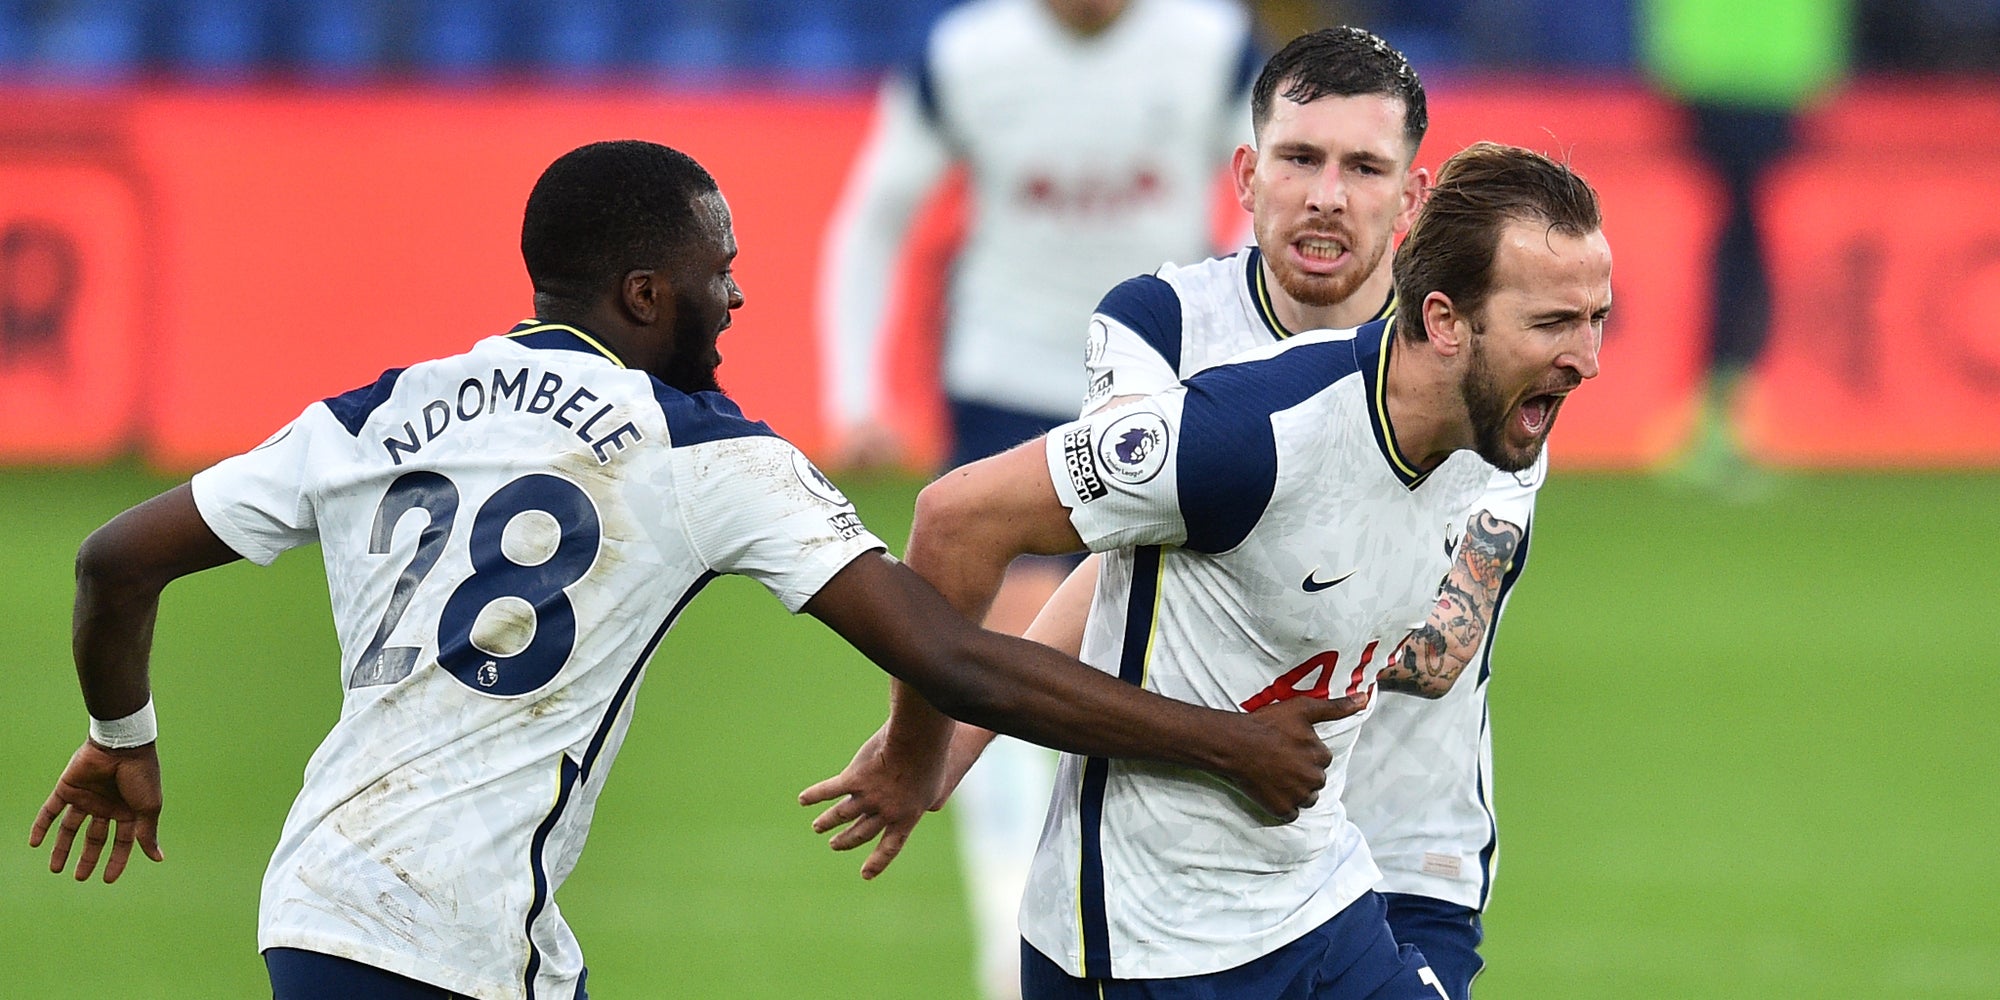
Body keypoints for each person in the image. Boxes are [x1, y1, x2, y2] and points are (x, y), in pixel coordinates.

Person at [27, 140, 1366, 1000]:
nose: (737, 296)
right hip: (454, 944)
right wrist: (1224, 743)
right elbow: (953, 657)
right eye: (720, 272)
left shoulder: (383, 407)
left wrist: (119, 739)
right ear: (645, 295)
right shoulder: (696, 448)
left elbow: (115, 561)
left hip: (320, 907)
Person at [806, 135, 1610, 998]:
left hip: (1318, 900)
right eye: (1553, 324)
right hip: (1149, 946)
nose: (1589, 359)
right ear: (1446, 322)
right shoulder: (1250, 437)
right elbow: (957, 518)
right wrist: (918, 750)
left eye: (1596, 318)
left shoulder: (1499, 441)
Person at [816, 2, 1258, 993]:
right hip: (1004, 383)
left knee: (1149, 648)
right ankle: (1010, 931)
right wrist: (853, 395)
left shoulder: (1212, 45)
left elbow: (1262, 199)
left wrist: (1238, 336)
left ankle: (1122, 910)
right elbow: (875, 213)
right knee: (1005, 650)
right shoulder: (966, 54)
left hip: (1162, 385)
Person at [1640, 0, 1850, 493]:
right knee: (1743, 246)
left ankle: (1719, 412)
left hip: (1714, 67)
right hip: (1771, 71)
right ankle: (1724, 413)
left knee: (1736, 242)